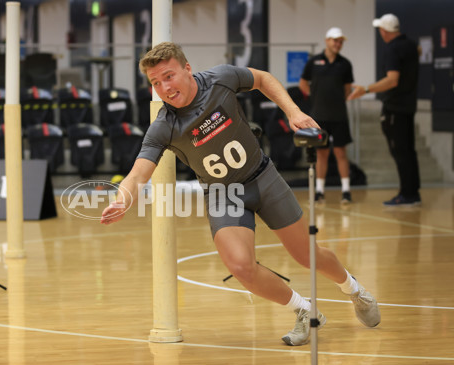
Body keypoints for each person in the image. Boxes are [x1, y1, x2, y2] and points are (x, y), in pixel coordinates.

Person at [101, 42, 380, 346]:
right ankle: (304, 310)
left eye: (168, 76)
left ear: (187, 69)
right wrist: (122, 200)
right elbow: (138, 173)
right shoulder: (164, 126)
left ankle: (354, 290)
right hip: (226, 194)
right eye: (155, 83)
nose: (164, 88)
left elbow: (262, 79)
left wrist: (294, 112)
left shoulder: (220, 79)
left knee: (306, 255)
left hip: (263, 178)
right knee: (240, 267)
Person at [348, 13, 421, 206]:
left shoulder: (392, 49)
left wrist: (367, 89)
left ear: (385, 31)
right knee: (409, 151)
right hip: (408, 106)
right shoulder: (411, 45)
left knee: (400, 152)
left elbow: (392, 79)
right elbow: (418, 52)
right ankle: (413, 192)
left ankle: (407, 194)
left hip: (395, 108)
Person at [299, 27, 354, 205]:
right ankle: (319, 191)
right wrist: (315, 98)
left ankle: (346, 191)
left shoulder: (345, 64)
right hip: (318, 117)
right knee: (321, 154)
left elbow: (347, 89)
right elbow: (303, 84)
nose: (338, 44)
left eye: (340, 42)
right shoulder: (313, 62)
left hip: (339, 117)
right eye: (335, 40)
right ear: (327, 40)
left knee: (340, 153)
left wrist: (337, 100)